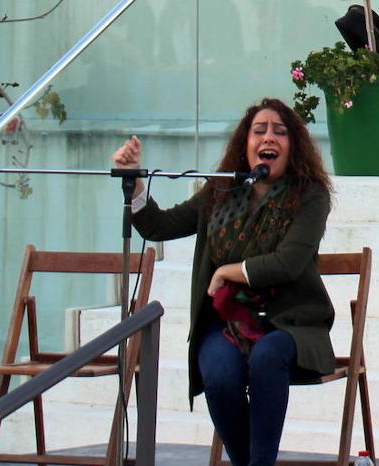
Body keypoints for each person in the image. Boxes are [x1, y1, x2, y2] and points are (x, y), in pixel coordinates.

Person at [111, 98, 335, 466]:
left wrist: (229, 271)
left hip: (290, 322)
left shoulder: (310, 195)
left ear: (294, 145)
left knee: (266, 356)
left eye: (280, 132)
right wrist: (134, 183)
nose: (269, 138)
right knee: (218, 373)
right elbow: (158, 226)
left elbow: (289, 262)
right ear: (244, 144)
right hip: (226, 322)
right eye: (259, 130)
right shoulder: (221, 192)